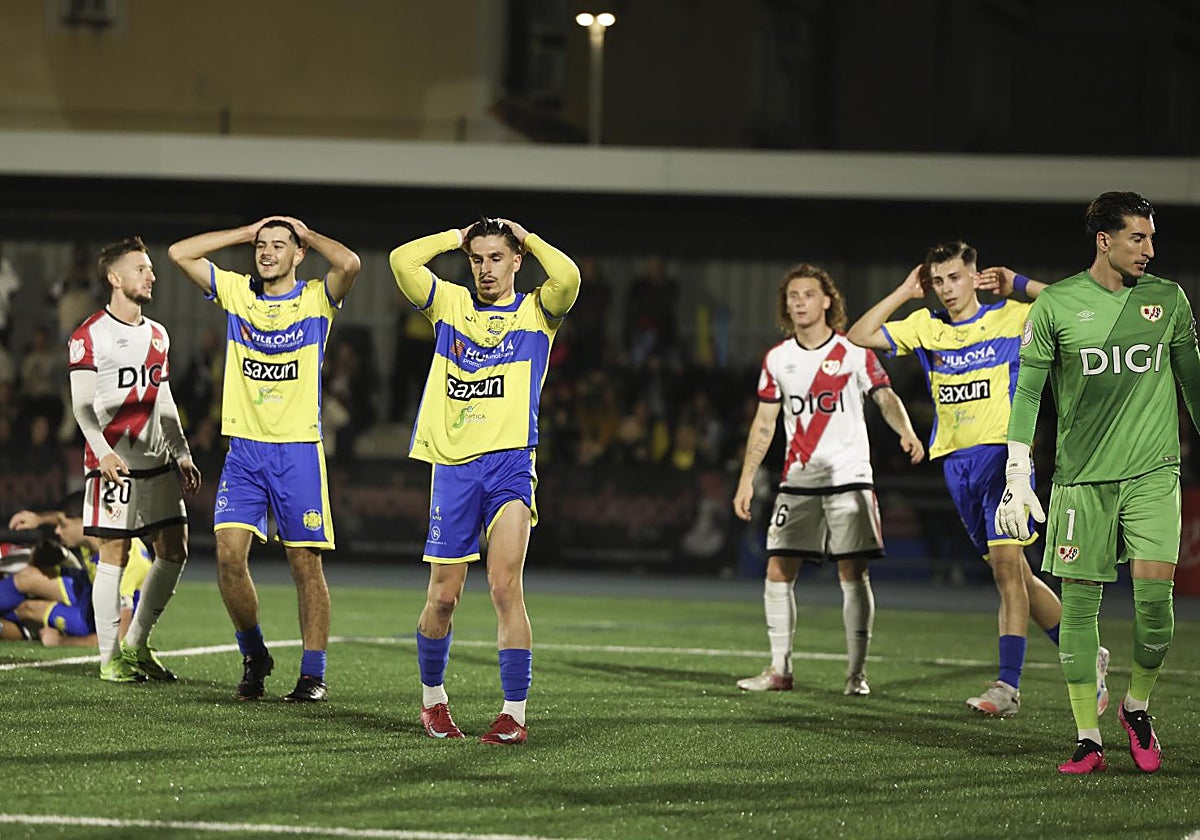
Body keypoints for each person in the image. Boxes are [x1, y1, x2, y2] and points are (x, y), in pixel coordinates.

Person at [847, 241, 1107, 719]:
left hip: (1005, 459)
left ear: (974, 275)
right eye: (938, 281)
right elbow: (859, 335)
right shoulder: (926, 327)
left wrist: (1020, 283)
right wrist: (904, 292)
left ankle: (1008, 686)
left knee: (1008, 569)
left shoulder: (1011, 317)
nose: (947, 289)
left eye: (955, 277)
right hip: (956, 465)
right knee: (1017, 575)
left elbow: (1080, 306)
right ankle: (1087, 654)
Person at [996, 191, 1200, 774]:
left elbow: (1193, 382)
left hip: (1153, 473)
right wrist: (1018, 470)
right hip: (1081, 481)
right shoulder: (1057, 304)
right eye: (1138, 237)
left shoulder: (1168, 299)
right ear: (1104, 241)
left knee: (1155, 606)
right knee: (1080, 610)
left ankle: (1137, 707)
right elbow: (1028, 393)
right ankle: (1088, 737)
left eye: (1152, 237)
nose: (1149, 249)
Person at [389, 217, 580, 744]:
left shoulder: (537, 310)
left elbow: (569, 277)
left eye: (497, 258)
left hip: (510, 464)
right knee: (443, 598)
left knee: (503, 585)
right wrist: (455, 238)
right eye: (477, 259)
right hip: (453, 467)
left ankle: (513, 714)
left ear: (517, 261)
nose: (485, 268)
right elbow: (401, 261)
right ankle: (433, 701)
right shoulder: (451, 304)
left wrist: (530, 238)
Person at [168, 217, 360, 702]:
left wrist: (307, 234)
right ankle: (255, 654)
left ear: (298, 255)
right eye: (261, 245)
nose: (267, 252)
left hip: (297, 450)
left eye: (278, 245)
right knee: (228, 556)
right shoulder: (238, 294)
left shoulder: (315, 298)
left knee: (305, 565)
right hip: (245, 451)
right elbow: (179, 253)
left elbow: (350, 263)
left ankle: (312, 675)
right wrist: (243, 231)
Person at [732, 264, 925, 697]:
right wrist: (746, 480)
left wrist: (906, 431)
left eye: (808, 294)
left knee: (852, 573)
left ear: (826, 301)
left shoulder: (854, 350)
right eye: (792, 296)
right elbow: (763, 424)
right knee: (777, 570)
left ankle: (856, 674)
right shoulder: (777, 359)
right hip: (797, 480)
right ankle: (779, 670)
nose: (799, 302)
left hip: (849, 478)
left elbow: (885, 396)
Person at [67, 237, 200, 683]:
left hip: (156, 461)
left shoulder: (158, 334)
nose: (151, 275)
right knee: (115, 553)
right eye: (141, 268)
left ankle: (136, 643)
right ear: (114, 278)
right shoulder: (89, 336)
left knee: (175, 550)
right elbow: (82, 407)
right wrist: (103, 452)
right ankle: (110, 659)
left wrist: (181, 453)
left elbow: (163, 399)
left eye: (150, 268)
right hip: (113, 464)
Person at [5, 493, 153, 647]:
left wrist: (60, 641)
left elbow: (118, 637)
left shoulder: (123, 567)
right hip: (90, 590)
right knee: (27, 577)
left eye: (62, 525)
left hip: (100, 617)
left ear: (86, 521)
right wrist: (38, 519)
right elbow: (66, 516)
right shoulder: (100, 532)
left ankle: (17, 628)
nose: (57, 531)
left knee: (28, 608)